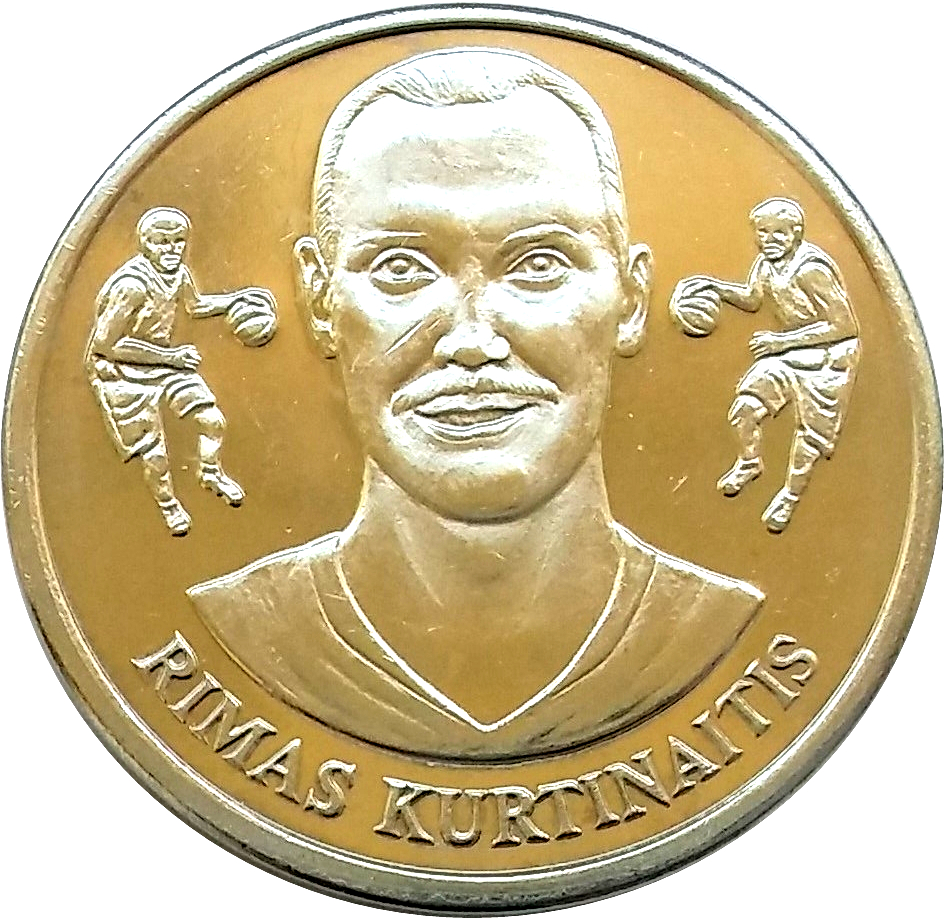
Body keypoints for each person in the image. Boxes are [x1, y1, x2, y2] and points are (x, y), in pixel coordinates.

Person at [188, 48, 764, 761]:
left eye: (539, 264)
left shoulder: (718, 629)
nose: (471, 340)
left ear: (632, 296)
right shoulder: (239, 630)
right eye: (401, 268)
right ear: (318, 297)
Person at [86, 207, 272, 535]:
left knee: (212, 421)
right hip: (120, 372)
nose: (172, 249)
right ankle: (169, 506)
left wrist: (235, 300)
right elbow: (106, 345)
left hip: (165, 364)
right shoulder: (132, 286)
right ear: (145, 245)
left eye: (178, 241)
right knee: (153, 453)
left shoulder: (180, 274)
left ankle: (210, 473)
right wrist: (171, 357)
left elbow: (196, 306)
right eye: (162, 242)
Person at [678, 198, 859, 532]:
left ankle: (789, 498)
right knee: (744, 408)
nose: (769, 239)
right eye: (763, 232)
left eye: (779, 233)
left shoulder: (811, 270)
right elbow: (753, 299)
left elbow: (844, 326)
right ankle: (749, 462)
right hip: (791, 353)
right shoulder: (765, 263)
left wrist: (781, 342)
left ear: (796, 234)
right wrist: (717, 288)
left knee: (811, 439)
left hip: (829, 360)